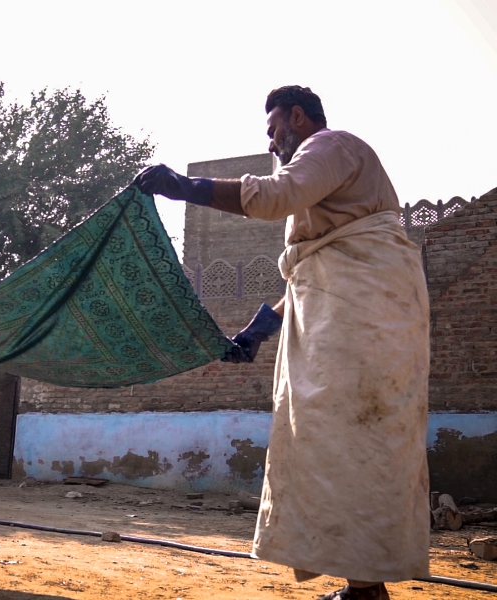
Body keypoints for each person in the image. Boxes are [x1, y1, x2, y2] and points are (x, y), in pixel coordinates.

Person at [135, 86, 429, 600]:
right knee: (334, 445)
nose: (272, 143)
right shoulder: (327, 204)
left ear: (297, 117)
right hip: (353, 316)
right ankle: (363, 586)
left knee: (357, 439)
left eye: (274, 131)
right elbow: (309, 281)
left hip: (369, 320)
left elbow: (271, 198)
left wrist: (184, 187)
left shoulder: (332, 146)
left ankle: (367, 588)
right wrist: (254, 335)